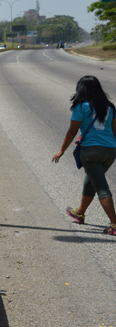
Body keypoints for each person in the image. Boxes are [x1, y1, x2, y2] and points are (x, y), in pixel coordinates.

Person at [52, 76, 116, 235]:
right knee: (92, 180)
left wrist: (62, 150)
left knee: (101, 186)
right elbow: (115, 131)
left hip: (91, 151)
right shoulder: (110, 107)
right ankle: (79, 213)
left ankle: (114, 224)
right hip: (110, 150)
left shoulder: (81, 107)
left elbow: (72, 131)